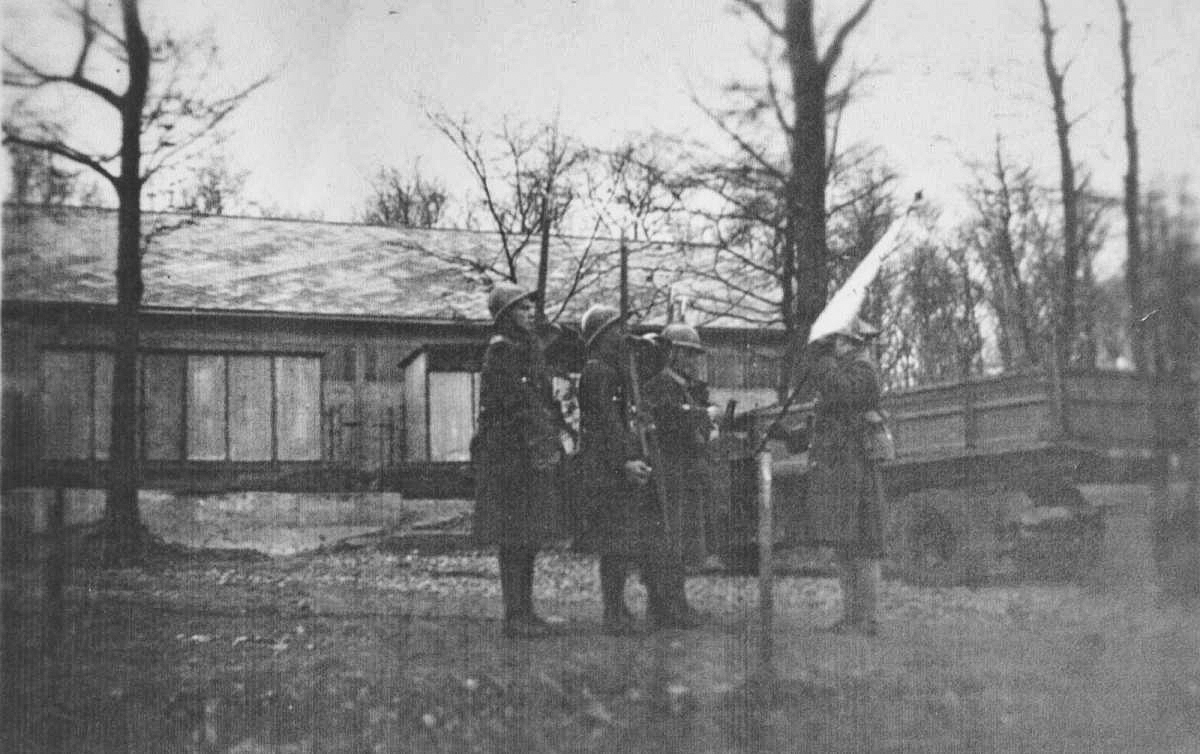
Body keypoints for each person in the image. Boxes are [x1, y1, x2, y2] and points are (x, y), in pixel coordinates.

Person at [472, 283, 567, 638]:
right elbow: (517, 405)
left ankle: (526, 611)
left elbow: (539, 401)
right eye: (523, 308)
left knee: (527, 537)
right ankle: (515, 615)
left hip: (526, 455)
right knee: (514, 538)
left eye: (531, 307)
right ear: (506, 315)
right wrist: (538, 439)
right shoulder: (502, 353)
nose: (531, 313)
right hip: (508, 459)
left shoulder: (525, 350)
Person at [573, 304, 666, 635]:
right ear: (601, 337)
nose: (622, 336)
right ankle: (613, 612)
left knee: (625, 540)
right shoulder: (598, 372)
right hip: (606, 470)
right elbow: (606, 426)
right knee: (614, 542)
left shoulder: (616, 371)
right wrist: (624, 460)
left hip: (613, 466)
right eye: (615, 330)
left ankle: (620, 610)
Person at [806, 317, 886, 636]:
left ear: (850, 342)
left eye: (837, 342)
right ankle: (851, 616)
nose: (834, 348)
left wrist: (822, 360)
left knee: (863, 547)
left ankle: (865, 618)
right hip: (845, 472)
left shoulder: (863, 370)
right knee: (845, 547)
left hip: (858, 473)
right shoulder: (846, 369)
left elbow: (840, 392)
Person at [639, 323, 717, 628]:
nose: (691, 360)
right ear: (670, 353)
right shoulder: (659, 385)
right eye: (686, 353)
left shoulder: (683, 385)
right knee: (666, 539)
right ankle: (663, 605)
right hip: (665, 471)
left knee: (680, 538)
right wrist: (699, 416)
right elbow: (667, 421)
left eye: (694, 354)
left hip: (682, 470)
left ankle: (676, 601)